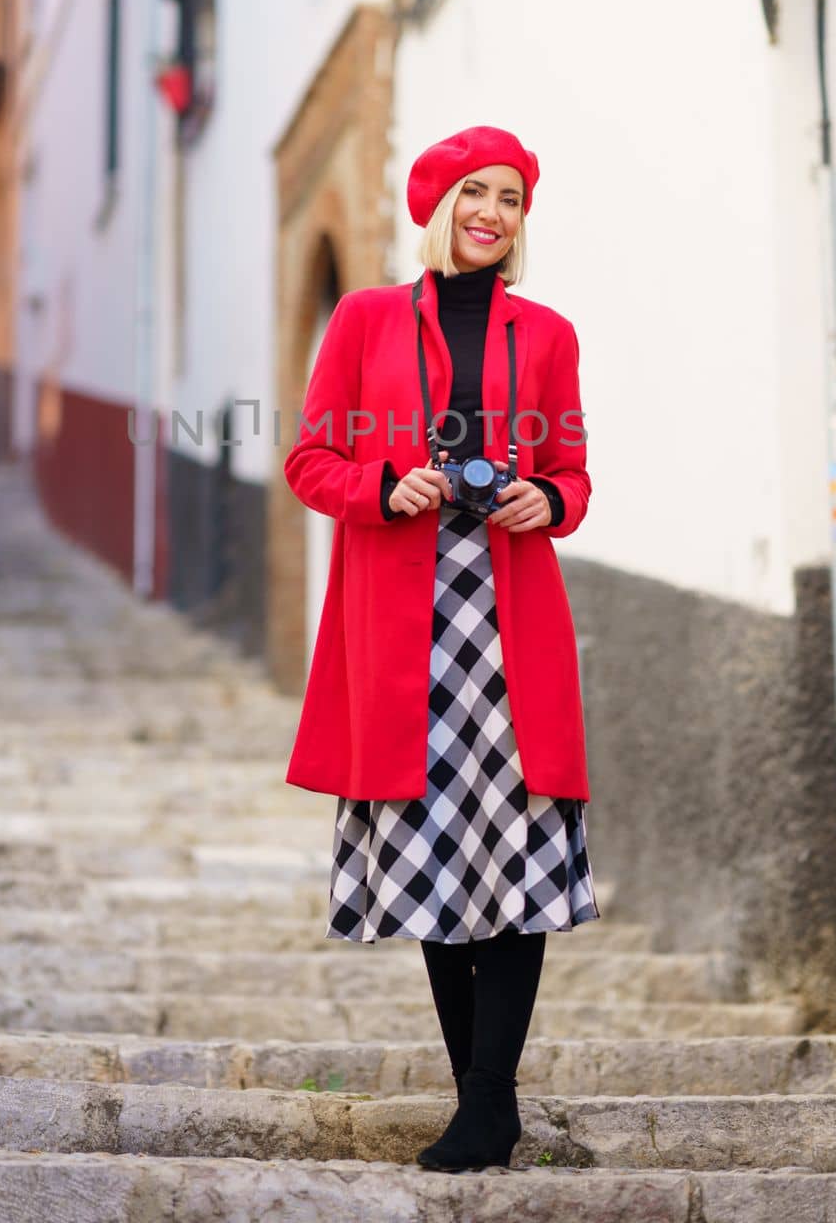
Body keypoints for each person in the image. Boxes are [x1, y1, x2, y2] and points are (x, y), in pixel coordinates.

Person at [283, 125, 600, 1173]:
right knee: (430, 849)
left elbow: (573, 477)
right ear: (437, 205)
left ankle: (489, 1101)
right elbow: (310, 457)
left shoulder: (546, 334)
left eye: (510, 197)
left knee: (512, 846)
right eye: (475, 191)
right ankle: (481, 1102)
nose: (492, 212)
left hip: (507, 615)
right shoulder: (368, 318)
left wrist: (540, 497)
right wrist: (383, 485)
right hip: (399, 619)